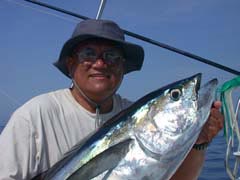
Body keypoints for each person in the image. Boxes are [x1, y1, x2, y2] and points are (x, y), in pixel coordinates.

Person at [0, 19, 223, 180]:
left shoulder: (129, 110)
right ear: (70, 65)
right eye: (88, 53)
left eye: (112, 56)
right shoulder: (34, 116)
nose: (100, 63)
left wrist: (199, 142)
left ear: (123, 68)